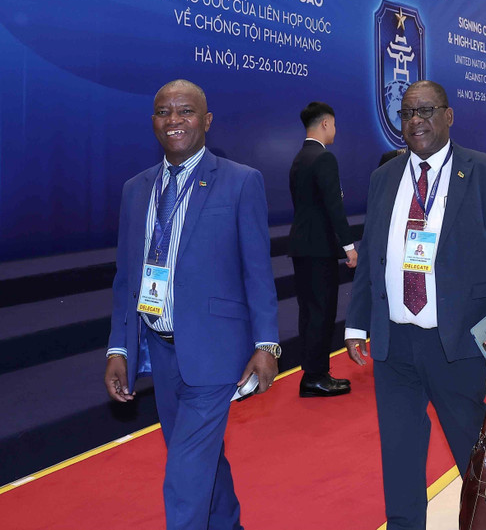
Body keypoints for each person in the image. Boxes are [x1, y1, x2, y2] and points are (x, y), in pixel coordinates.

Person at [104, 79, 280, 530]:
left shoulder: (241, 182)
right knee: (202, 459)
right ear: (153, 122)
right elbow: (127, 278)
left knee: (184, 474)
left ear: (207, 121)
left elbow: (257, 272)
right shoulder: (134, 190)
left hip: (216, 351)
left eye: (185, 111)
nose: (174, 120)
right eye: (165, 112)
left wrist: (268, 345)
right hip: (159, 351)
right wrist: (118, 349)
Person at [345, 80, 486, 530]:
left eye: (425, 111)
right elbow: (373, 251)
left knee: (476, 460)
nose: (415, 122)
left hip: (457, 344)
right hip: (395, 344)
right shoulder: (385, 177)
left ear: (449, 115)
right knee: (398, 455)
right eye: (406, 114)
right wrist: (357, 323)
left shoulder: (484, 173)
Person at [288, 101, 357, 397]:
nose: (335, 131)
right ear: (326, 124)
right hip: (319, 250)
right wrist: (349, 247)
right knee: (322, 312)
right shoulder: (324, 158)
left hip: (302, 247)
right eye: (334, 125)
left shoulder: (300, 157)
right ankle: (316, 377)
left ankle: (312, 372)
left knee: (309, 312)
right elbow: (334, 207)